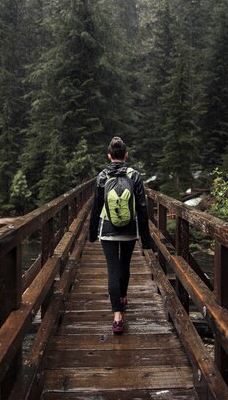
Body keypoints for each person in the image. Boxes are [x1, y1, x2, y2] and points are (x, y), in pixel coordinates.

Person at [89, 136, 152, 335]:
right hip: (129, 229)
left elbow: (96, 207)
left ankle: (117, 315)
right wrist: (145, 236)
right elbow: (142, 208)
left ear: (109, 156)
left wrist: (91, 232)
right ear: (126, 155)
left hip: (107, 229)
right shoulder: (135, 176)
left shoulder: (101, 176)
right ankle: (123, 296)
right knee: (125, 265)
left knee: (112, 270)